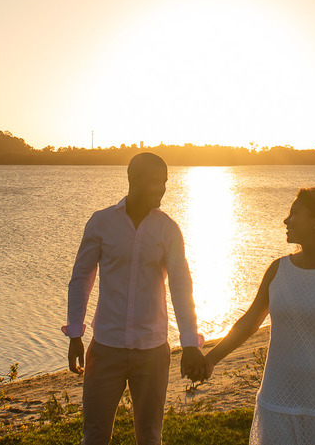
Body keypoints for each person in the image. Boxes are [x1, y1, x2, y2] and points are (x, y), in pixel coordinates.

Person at [203, 186, 315, 444]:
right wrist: (211, 359)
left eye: (294, 214)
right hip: (277, 397)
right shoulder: (277, 270)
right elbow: (249, 323)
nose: (286, 220)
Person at [64, 152, 208, 445]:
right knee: (94, 435)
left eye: (165, 182)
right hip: (105, 348)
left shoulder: (168, 229)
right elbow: (81, 279)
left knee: (150, 436)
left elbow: (181, 285)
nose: (163, 189)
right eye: (156, 182)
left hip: (152, 351)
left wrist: (190, 343)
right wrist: (75, 334)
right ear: (133, 179)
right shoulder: (101, 222)